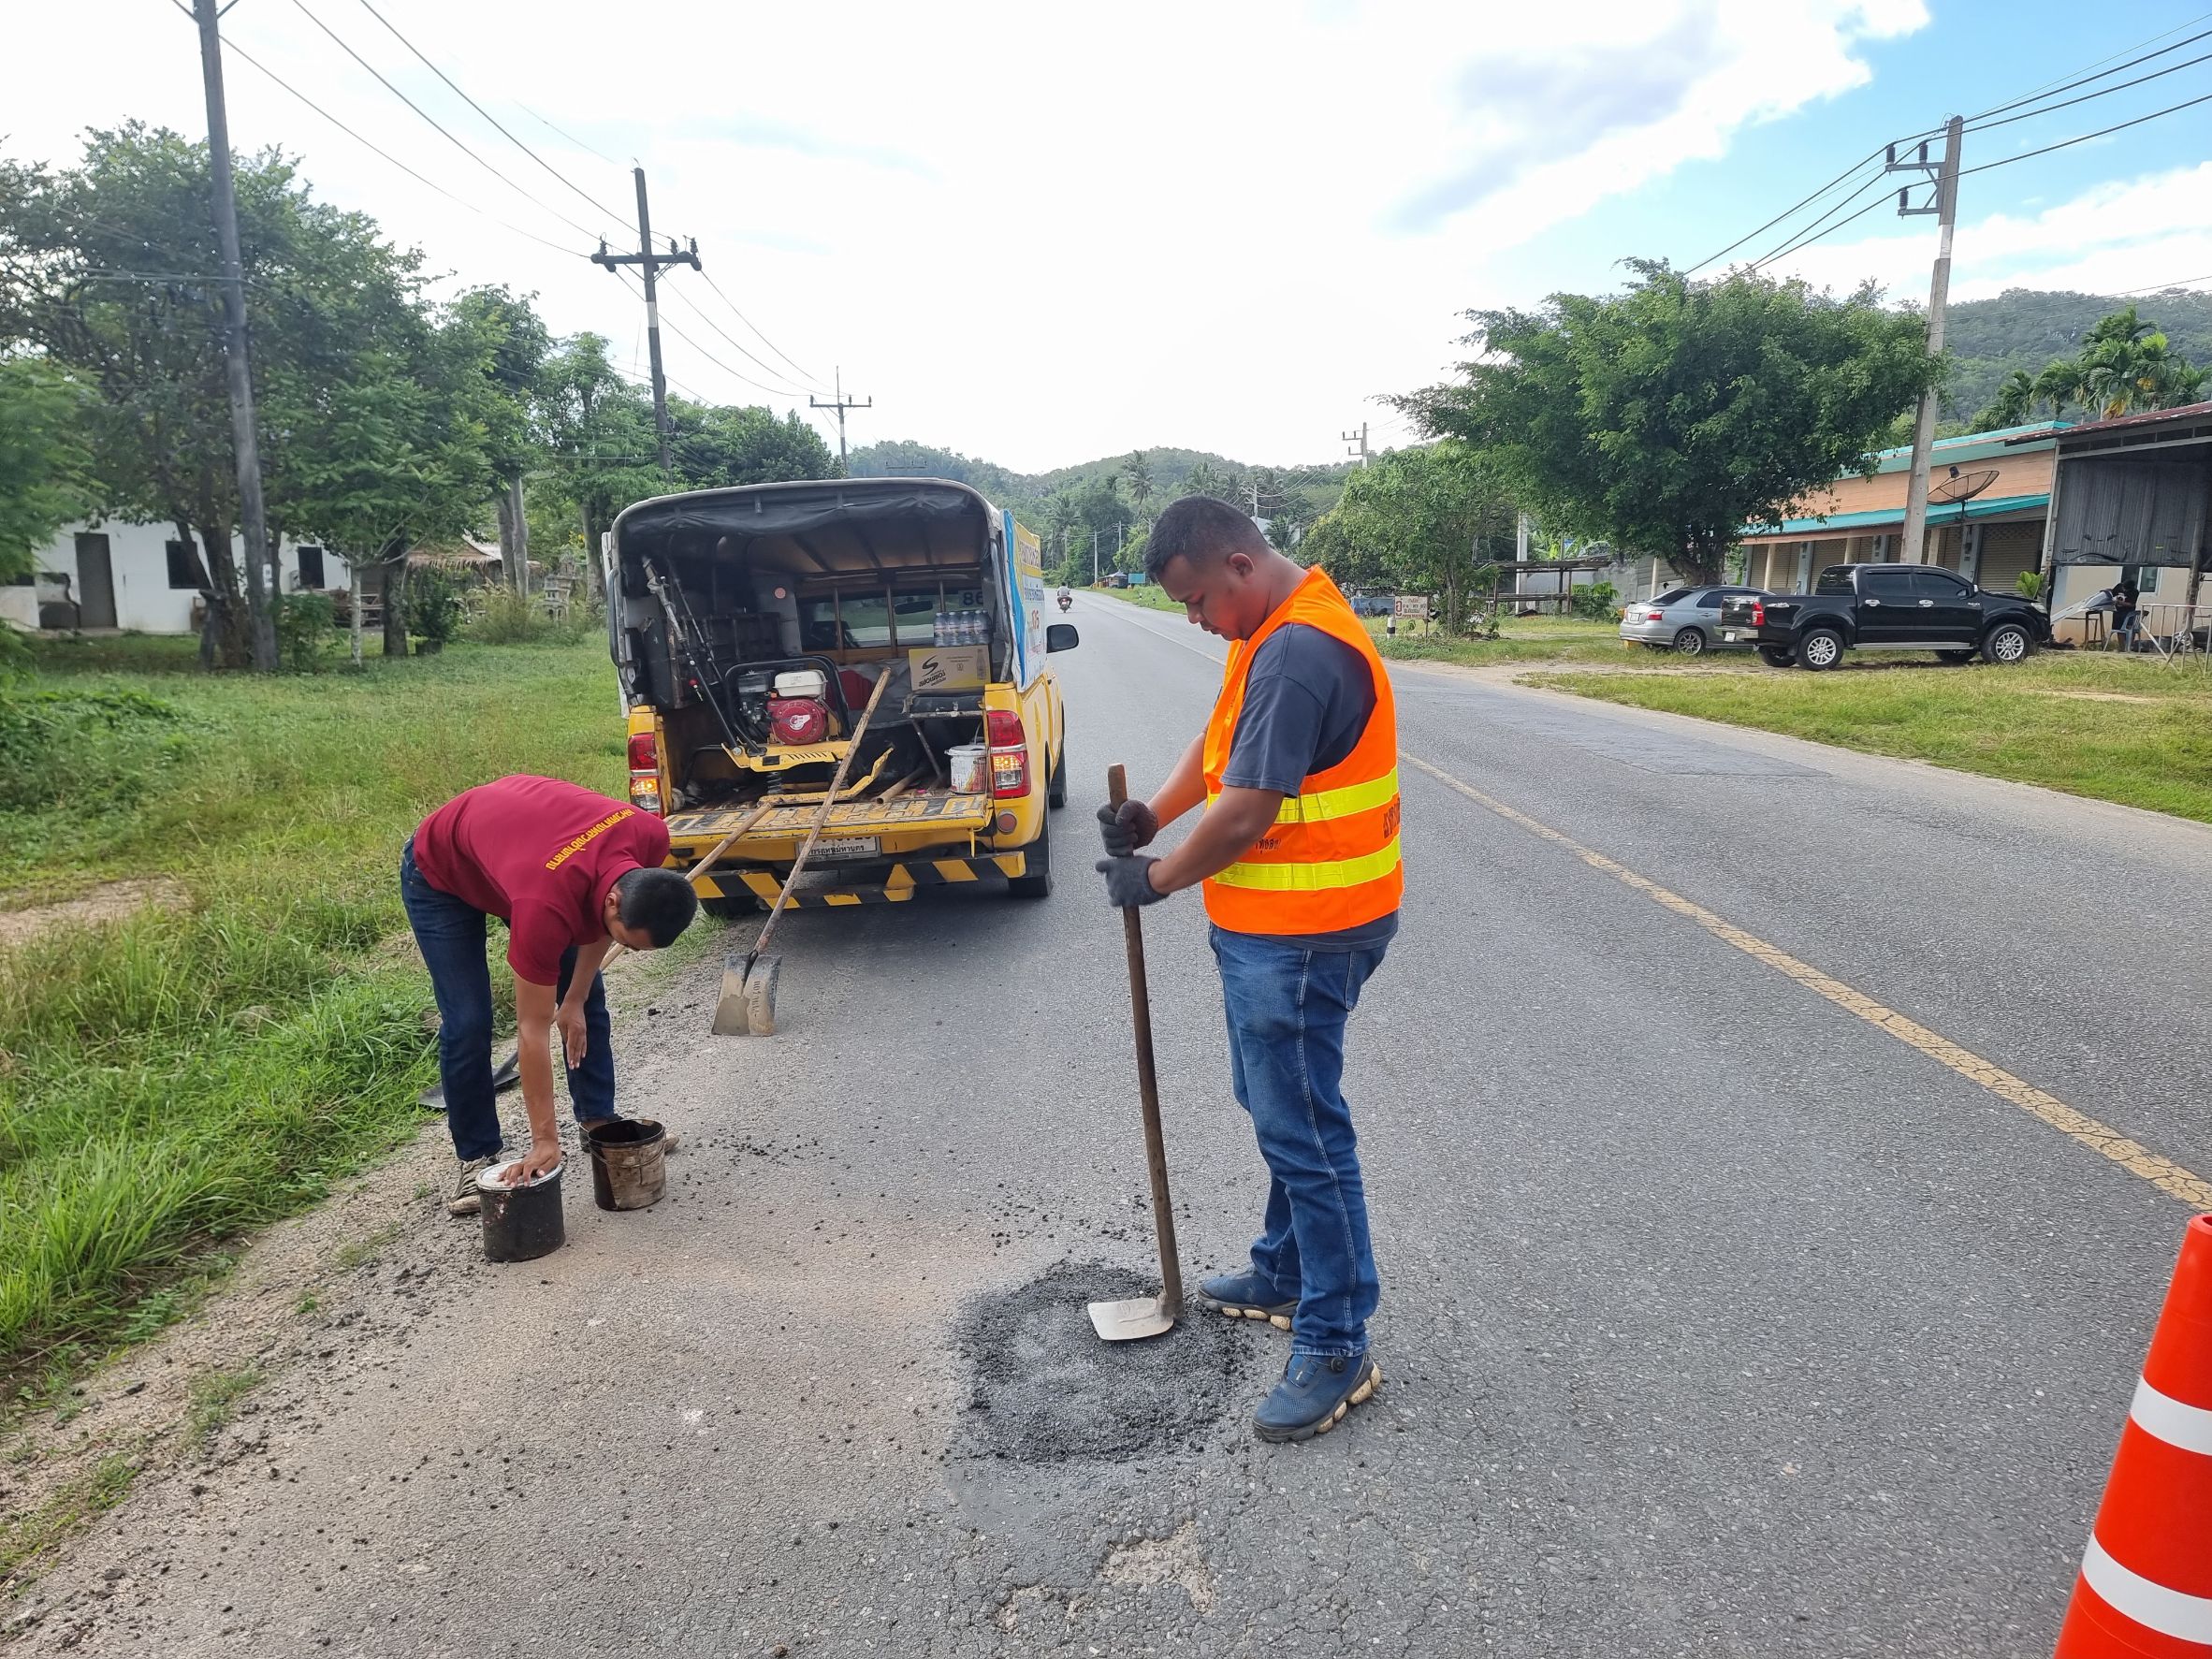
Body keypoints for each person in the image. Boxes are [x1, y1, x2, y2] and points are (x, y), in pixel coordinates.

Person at [1095, 496, 1400, 1444]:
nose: (1194, 619)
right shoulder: (1264, 629)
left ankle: (1337, 1337)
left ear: (1238, 564)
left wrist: (1157, 877)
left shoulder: (1300, 648)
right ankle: (1286, 1268)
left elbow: (1249, 810)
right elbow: (1222, 747)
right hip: (1276, 931)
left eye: (1196, 600)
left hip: (1307, 935)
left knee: (1303, 1128)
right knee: (1275, 1103)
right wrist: (1154, 810)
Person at [401, 776, 699, 1215]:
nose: (626, 950)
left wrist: (574, 998)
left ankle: (598, 1121)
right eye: (627, 943)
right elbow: (532, 1029)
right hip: (442, 871)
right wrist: (544, 1140)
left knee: (587, 998)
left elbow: (599, 927)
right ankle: (477, 1154)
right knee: (468, 1022)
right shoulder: (545, 904)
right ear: (614, 902)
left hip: (523, 856)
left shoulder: (649, 835)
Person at [2111, 575, 2141, 650]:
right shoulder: (2119, 586)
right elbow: (2111, 593)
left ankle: (2129, 647)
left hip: (2128, 613)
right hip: (2117, 612)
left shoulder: (2135, 592)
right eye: (2123, 588)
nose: (2124, 589)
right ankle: (2122, 648)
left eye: (2126, 589)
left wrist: (2119, 602)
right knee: (2118, 630)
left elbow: (2132, 604)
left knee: (2129, 629)